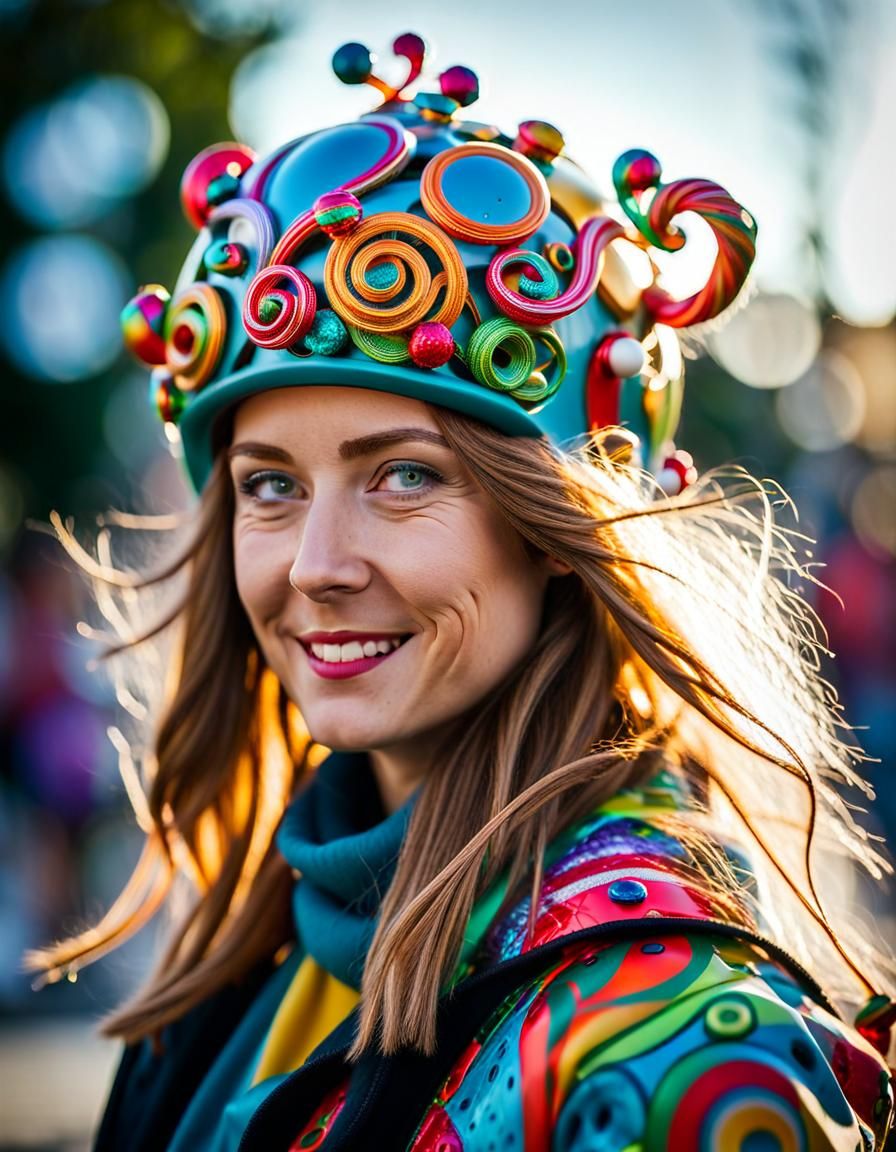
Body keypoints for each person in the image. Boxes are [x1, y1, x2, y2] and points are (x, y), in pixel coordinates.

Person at [29, 31, 895, 1152]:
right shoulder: (252, 938)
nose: (314, 564)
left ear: (553, 533)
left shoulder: (677, 1048)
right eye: (270, 485)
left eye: (402, 476)